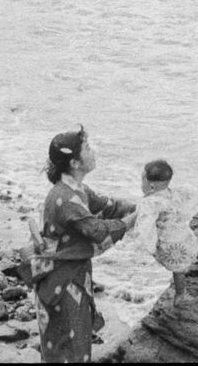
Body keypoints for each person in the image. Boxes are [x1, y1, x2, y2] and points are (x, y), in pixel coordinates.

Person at [34, 127, 135, 364]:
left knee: (71, 342)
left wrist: (143, 206)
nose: (94, 151)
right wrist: (131, 221)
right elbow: (97, 231)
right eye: (88, 148)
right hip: (61, 280)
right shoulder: (66, 199)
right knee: (69, 346)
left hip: (70, 275)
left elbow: (108, 206)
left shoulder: (77, 190)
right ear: (75, 163)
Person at [128, 159, 198, 295]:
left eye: (142, 179)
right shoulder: (172, 192)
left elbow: (145, 225)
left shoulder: (149, 203)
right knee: (195, 248)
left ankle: (180, 293)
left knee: (178, 269)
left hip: (170, 242)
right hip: (184, 233)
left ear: (151, 186)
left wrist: (143, 243)